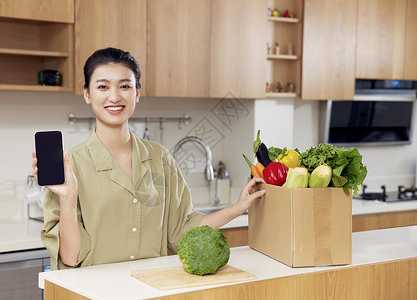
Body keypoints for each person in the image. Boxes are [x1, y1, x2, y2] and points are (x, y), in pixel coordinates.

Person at [32, 47, 265, 270]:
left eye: (125, 86)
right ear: (87, 94)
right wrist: (68, 199)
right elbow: (71, 258)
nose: (114, 96)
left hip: (150, 287)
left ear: (137, 94)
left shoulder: (160, 158)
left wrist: (237, 208)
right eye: (103, 87)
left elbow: (182, 231)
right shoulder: (70, 167)